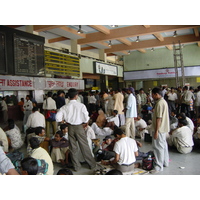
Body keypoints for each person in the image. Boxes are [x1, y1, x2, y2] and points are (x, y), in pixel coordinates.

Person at [56, 88, 96, 172]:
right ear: (76, 96)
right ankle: (92, 164)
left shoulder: (65, 107)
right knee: (84, 145)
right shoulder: (81, 105)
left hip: (70, 127)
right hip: (79, 127)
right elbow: (86, 118)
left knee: (72, 147)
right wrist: (85, 122)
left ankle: (76, 166)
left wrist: (63, 121)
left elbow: (57, 118)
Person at [151, 87, 170, 173]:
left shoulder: (159, 104)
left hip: (160, 129)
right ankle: (165, 162)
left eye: (152, 95)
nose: (152, 96)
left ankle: (159, 166)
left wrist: (156, 131)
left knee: (158, 147)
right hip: (164, 128)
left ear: (156, 94)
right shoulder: (164, 102)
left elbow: (159, 118)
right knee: (163, 146)